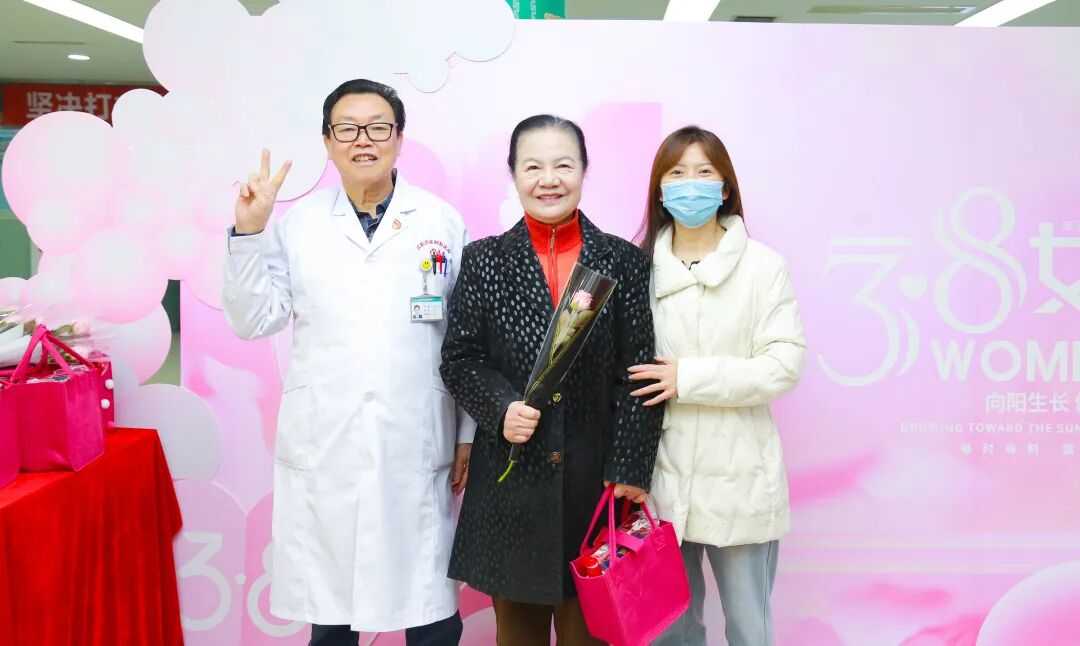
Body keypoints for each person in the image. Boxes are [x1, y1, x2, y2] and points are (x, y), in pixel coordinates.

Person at [222, 78, 474, 646]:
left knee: (430, 610)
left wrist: (467, 434)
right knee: (332, 611)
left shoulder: (440, 222)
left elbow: (465, 341)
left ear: (399, 139)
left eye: (378, 127)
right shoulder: (298, 225)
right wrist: (249, 231)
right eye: (348, 129)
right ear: (328, 142)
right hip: (327, 439)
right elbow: (254, 319)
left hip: (415, 438)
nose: (364, 140)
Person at [439, 114, 663, 646]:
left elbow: (638, 371)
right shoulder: (484, 260)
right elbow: (460, 358)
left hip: (596, 486)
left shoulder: (623, 261)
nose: (549, 180)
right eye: (532, 167)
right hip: (511, 487)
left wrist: (630, 467)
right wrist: (500, 408)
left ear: (584, 170)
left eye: (563, 165)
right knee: (518, 636)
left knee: (593, 635)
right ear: (514, 174)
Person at [630, 126, 806, 646]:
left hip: (740, 480)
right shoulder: (637, 268)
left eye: (704, 172)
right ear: (660, 188)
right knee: (669, 630)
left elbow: (783, 364)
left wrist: (687, 378)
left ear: (725, 187)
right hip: (660, 482)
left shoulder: (763, 267)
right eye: (677, 173)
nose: (691, 184)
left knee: (750, 628)